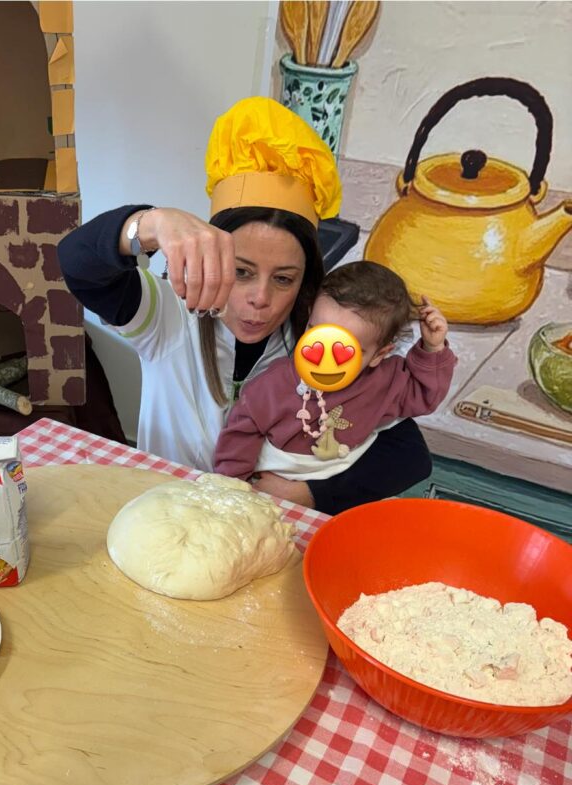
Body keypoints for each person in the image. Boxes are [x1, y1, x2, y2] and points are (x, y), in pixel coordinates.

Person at [57, 96, 434, 513]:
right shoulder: (167, 315)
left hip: (264, 524)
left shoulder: (319, 344)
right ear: (212, 256)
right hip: (168, 513)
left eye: (284, 279)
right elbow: (76, 263)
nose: (260, 299)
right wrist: (151, 223)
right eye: (241, 272)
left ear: (305, 282)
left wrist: (311, 494)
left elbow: (408, 455)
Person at [213, 261, 456, 489]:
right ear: (308, 321)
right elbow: (238, 440)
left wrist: (432, 349)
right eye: (317, 335)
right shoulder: (272, 385)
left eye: (344, 352)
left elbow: (424, 396)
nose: (324, 360)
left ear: (378, 355)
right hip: (271, 479)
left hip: (337, 486)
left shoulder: (385, 382)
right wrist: (232, 488)